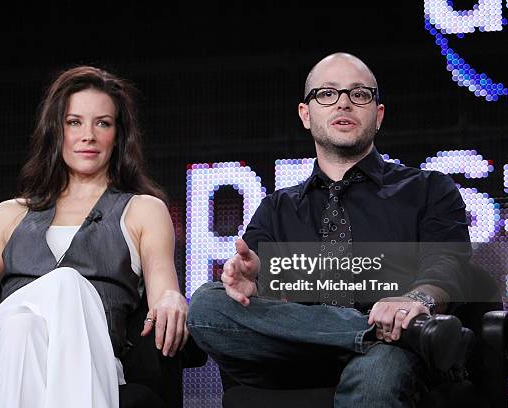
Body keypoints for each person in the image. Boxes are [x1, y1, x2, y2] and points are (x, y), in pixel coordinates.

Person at [186, 53, 473, 407]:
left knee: (379, 370)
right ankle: (387, 334)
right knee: (205, 304)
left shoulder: (429, 188)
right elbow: (254, 281)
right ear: (306, 115)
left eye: (360, 94)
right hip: (300, 355)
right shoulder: (277, 208)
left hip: (396, 360)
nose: (343, 103)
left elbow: (448, 266)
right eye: (327, 94)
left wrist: (416, 301)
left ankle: (397, 335)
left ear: (378, 115)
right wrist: (253, 280)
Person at [0, 66, 188, 408]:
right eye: (74, 122)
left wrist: (171, 299)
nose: (88, 135)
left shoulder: (143, 210)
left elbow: (163, 289)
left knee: (23, 329)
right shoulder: (10, 213)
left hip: (91, 359)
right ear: (57, 131)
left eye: (103, 123)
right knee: (63, 285)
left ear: (119, 135)